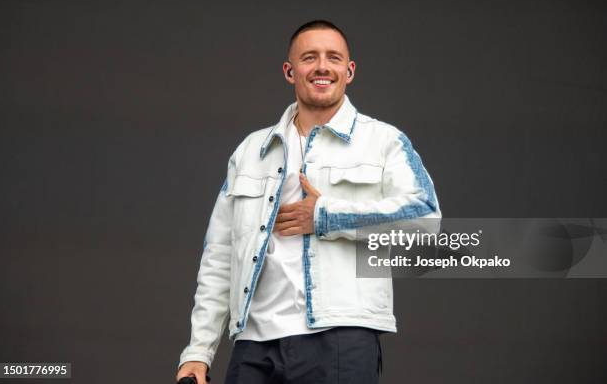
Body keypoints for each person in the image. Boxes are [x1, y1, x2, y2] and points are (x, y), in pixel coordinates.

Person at [176, 20, 441, 384]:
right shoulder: (251, 151)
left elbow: (425, 218)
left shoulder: (383, 141)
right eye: (309, 57)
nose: (321, 66)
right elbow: (220, 255)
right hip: (254, 345)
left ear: (349, 71)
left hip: (341, 338)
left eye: (333, 57)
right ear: (289, 71)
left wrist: (326, 216)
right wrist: (198, 350)